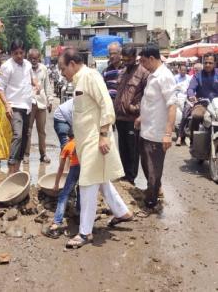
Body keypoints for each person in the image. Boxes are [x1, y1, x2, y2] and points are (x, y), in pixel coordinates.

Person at [58, 48, 133, 248]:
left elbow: (106, 105)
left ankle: (85, 233)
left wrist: (103, 136)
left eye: (63, 68)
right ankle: (122, 212)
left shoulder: (90, 76)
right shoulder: (77, 81)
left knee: (88, 183)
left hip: (95, 140)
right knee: (100, 180)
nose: (62, 72)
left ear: (73, 64)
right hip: (86, 142)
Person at [135, 44, 177, 210]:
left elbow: (172, 106)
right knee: (146, 165)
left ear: (152, 59)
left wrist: (168, 134)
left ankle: (151, 203)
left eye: (144, 61)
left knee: (154, 170)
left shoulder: (164, 76)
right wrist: (141, 117)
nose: (143, 65)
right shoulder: (153, 75)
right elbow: (151, 103)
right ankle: (153, 192)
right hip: (147, 129)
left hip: (157, 133)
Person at [0, 39, 38, 175]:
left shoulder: (27, 65)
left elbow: (32, 79)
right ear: (11, 53)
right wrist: (7, 105)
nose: (19, 56)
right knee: (18, 135)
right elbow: (0, 89)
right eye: (16, 53)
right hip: (14, 106)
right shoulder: (6, 67)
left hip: (27, 106)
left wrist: (36, 85)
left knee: (26, 136)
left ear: (25, 52)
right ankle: (11, 166)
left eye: (21, 53)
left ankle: (17, 169)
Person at [114, 45, 149, 185]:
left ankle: (131, 177)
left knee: (132, 150)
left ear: (135, 57)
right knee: (122, 148)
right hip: (120, 117)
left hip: (132, 118)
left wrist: (135, 108)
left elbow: (147, 97)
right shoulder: (122, 72)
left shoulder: (143, 73)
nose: (126, 62)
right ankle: (124, 174)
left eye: (129, 59)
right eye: (124, 59)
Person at [44, 130, 80, 239]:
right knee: (81, 191)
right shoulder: (81, 142)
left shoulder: (68, 146)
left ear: (68, 137)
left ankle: (56, 223)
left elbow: (60, 168)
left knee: (64, 195)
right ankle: (79, 214)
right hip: (85, 168)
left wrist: (56, 184)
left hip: (75, 168)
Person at [23, 49, 54, 164]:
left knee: (42, 131)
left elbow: (47, 86)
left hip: (41, 104)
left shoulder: (44, 69)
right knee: (28, 131)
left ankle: (43, 154)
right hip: (29, 103)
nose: (33, 60)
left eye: (35, 58)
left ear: (39, 58)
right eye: (31, 58)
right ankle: (26, 155)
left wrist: (50, 101)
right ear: (28, 58)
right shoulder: (25, 69)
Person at [186, 53, 218, 142]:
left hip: (216, 104)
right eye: (206, 62)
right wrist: (191, 95)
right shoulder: (197, 75)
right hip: (202, 103)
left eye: (210, 63)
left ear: (214, 63)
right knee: (196, 115)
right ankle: (193, 139)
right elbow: (191, 88)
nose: (208, 65)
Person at [174, 64, 192, 146]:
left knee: (185, 116)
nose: (183, 71)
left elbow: (191, 89)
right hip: (177, 99)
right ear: (179, 70)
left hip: (187, 100)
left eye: (185, 70)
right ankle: (179, 135)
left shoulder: (189, 78)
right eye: (182, 70)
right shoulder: (175, 78)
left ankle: (180, 137)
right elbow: (172, 89)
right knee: (178, 118)